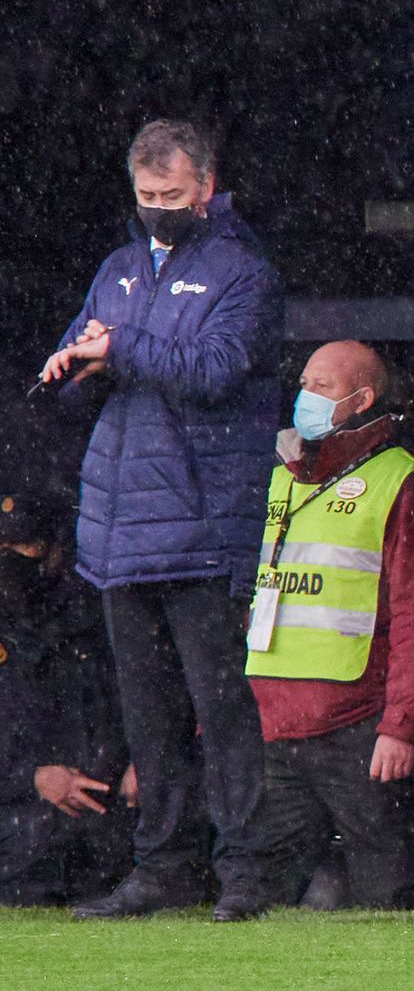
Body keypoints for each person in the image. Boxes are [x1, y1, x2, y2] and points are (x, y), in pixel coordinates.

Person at [38, 119, 283, 921]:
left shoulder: (241, 271)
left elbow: (216, 371)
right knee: (148, 719)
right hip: (118, 532)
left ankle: (246, 872)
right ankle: (164, 869)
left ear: (205, 186)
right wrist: (72, 366)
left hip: (204, 528)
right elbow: (87, 373)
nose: (157, 209)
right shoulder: (115, 269)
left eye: (171, 196)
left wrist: (122, 348)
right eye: (146, 197)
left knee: (223, 712)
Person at [247, 341, 414, 910]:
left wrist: (401, 727)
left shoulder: (409, 484)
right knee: (260, 904)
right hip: (272, 721)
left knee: (385, 895)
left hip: (356, 725)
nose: (304, 396)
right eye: (304, 383)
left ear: (362, 399)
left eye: (322, 387)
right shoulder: (279, 474)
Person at [0, 486, 135, 905]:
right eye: (4, 546)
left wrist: (145, 762)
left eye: (27, 546)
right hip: (18, 826)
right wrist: (34, 779)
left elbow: (148, 704)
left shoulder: (104, 621)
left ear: (57, 548)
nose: (13, 559)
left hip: (107, 820)